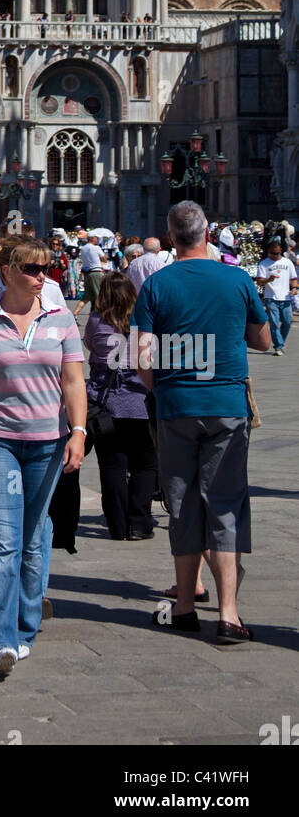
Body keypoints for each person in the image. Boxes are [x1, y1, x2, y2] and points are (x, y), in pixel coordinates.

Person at [0, 238, 86, 673]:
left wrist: (78, 432)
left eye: (47, 268)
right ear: (6, 271)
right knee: (5, 540)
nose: (42, 276)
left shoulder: (60, 318)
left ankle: (25, 624)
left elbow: (74, 380)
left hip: (48, 441)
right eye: (31, 268)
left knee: (35, 535)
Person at [134, 201, 270, 643]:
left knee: (182, 502)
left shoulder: (156, 283)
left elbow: (141, 359)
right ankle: (229, 613)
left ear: (171, 237)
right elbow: (264, 340)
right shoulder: (237, 277)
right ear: (207, 233)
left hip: (176, 405)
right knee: (226, 501)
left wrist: (164, 388)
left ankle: (186, 606)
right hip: (227, 403)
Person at [83, 272, 157, 541]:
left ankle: (117, 524)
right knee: (144, 465)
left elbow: (89, 345)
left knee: (112, 465)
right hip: (140, 403)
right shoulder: (145, 323)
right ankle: (139, 523)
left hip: (106, 405)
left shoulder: (96, 321)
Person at [255, 238, 297, 356]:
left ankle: (280, 342)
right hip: (271, 297)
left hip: (285, 297)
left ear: (281, 251)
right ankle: (278, 346)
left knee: (287, 321)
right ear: (269, 251)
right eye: (273, 253)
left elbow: (293, 279)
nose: (275, 256)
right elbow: (259, 281)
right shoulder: (264, 263)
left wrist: (294, 288)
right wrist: (269, 280)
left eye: (277, 253)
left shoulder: (287, 262)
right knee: (273, 322)